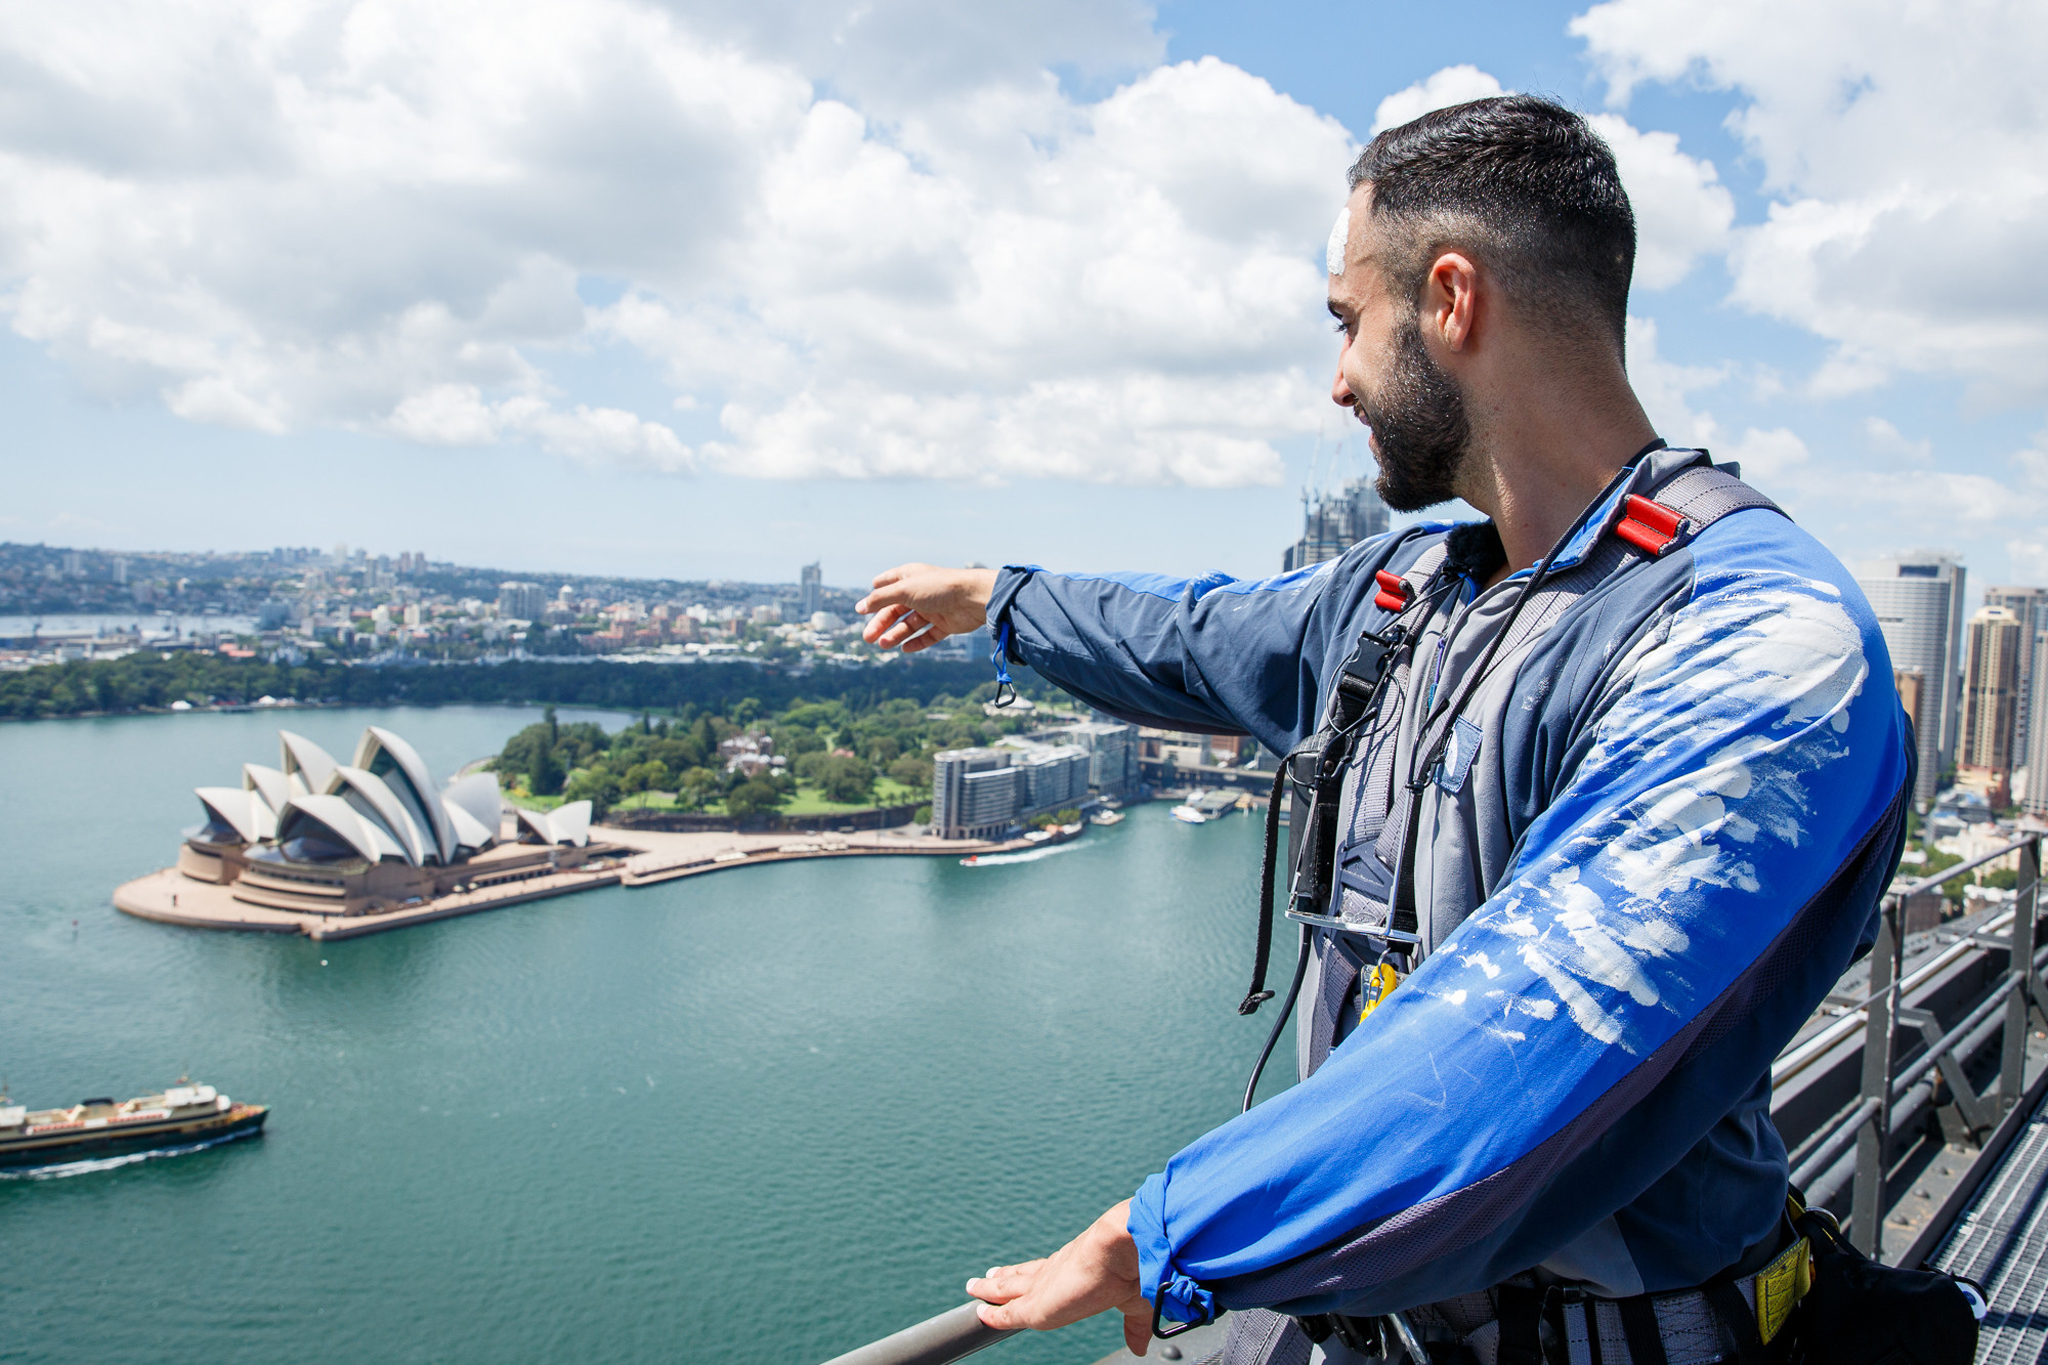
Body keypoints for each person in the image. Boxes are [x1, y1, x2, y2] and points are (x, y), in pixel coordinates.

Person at [858, 95, 1910, 1365]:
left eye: (1346, 318)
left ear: (1451, 301)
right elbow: (1196, 636)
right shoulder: (1411, 593)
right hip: (1376, 1326)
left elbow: (1539, 1025)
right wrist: (994, 598)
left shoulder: (1759, 635)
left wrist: (1171, 1231)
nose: (1338, 375)